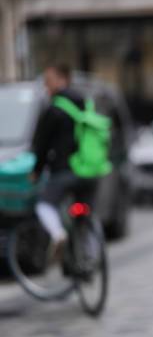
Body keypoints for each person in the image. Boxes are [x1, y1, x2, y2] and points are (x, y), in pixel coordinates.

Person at [30, 64, 98, 261]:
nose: (46, 86)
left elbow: (40, 145)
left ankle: (58, 234)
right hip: (90, 170)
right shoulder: (86, 104)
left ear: (62, 80)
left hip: (65, 171)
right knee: (85, 213)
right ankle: (92, 259)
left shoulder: (54, 109)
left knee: (44, 205)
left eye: (48, 81)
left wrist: (37, 170)